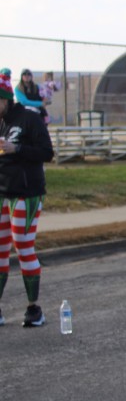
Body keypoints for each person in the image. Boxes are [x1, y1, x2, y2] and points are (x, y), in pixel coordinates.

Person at [0, 70, 53, 328]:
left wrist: (17, 148)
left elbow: (47, 152)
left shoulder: (29, 118)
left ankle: (34, 308)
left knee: (23, 246)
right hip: (2, 192)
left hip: (26, 192)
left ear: (5, 100)